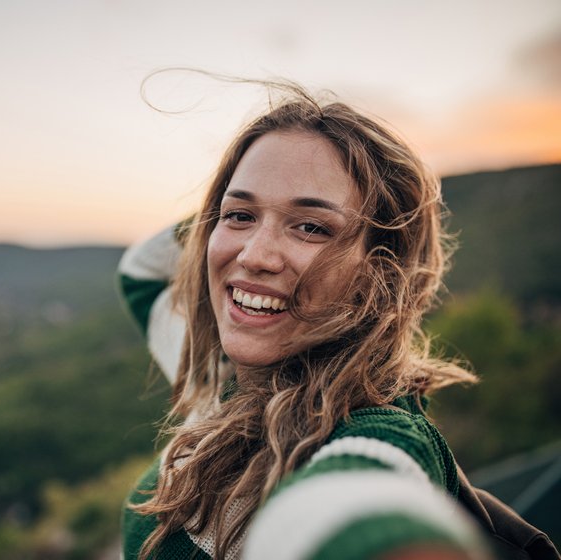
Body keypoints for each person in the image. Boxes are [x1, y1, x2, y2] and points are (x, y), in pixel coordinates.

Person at [118, 84, 492, 560]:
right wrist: (270, 178)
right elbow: (140, 273)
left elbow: (356, 515)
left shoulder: (376, 431)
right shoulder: (216, 367)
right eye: (238, 216)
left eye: (312, 226)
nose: (254, 256)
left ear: (381, 269)